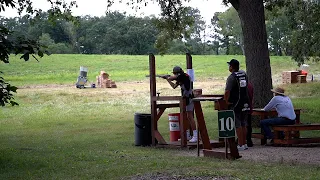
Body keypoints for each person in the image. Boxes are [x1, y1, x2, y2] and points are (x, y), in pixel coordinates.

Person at [163, 66, 198, 143]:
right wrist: (167, 79)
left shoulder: (182, 76)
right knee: (186, 117)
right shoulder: (181, 77)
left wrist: (168, 77)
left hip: (188, 98)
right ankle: (187, 134)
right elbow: (174, 86)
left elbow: (173, 78)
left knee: (190, 116)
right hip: (186, 99)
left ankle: (195, 135)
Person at [224, 59, 250, 151]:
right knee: (244, 124)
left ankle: (240, 144)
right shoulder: (243, 75)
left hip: (236, 103)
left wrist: (226, 101)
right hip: (245, 102)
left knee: (238, 124)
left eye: (229, 66)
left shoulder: (231, 77)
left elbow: (227, 91)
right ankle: (245, 143)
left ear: (231, 67)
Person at [246, 82, 254, 147]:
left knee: (242, 124)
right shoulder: (250, 85)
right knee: (248, 124)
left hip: (242, 108)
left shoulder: (241, 84)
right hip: (249, 107)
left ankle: (243, 140)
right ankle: (249, 140)